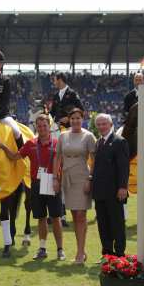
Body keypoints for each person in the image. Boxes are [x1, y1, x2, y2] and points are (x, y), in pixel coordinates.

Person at [0, 114, 65, 261]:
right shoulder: (30, 144)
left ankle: (60, 250)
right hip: (37, 183)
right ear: (36, 127)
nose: (42, 129)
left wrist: (58, 179)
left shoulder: (57, 143)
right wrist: (2, 146)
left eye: (44, 126)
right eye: (39, 126)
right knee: (41, 218)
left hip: (52, 183)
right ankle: (42, 248)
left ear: (49, 127)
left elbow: (63, 164)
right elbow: (15, 157)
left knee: (55, 217)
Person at [54, 108, 96, 264]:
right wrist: (55, 178)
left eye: (78, 118)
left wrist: (90, 178)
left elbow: (94, 159)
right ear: (69, 120)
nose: (75, 121)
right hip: (67, 178)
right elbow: (57, 157)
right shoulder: (63, 136)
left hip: (82, 177)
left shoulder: (88, 136)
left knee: (81, 215)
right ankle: (81, 250)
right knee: (73, 215)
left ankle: (79, 253)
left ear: (82, 119)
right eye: (73, 119)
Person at [90, 113, 129, 257]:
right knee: (103, 225)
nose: (101, 126)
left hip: (115, 192)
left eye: (104, 124)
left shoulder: (120, 141)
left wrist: (123, 187)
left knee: (117, 224)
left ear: (111, 125)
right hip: (100, 192)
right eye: (98, 124)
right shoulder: (98, 142)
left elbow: (123, 167)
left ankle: (119, 254)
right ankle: (107, 253)